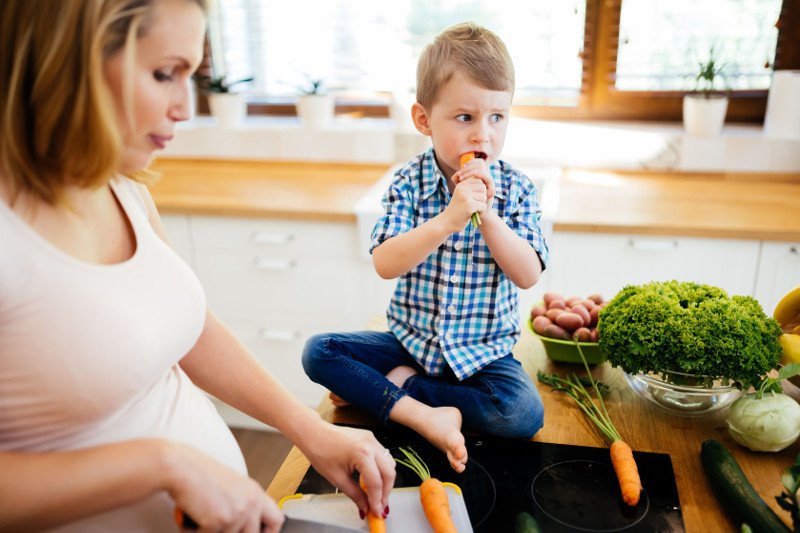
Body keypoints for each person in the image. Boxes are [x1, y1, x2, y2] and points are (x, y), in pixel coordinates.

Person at [0, 1, 395, 531]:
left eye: (192, 75)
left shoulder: (118, 184)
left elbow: (190, 327)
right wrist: (160, 464)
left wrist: (309, 429)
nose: (186, 108)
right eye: (165, 74)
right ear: (70, 61)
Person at [302, 22, 549, 473]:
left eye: (497, 117)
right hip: (409, 343)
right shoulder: (408, 182)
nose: (483, 135)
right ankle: (421, 412)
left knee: (523, 414)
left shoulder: (516, 189)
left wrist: (487, 216)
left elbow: (528, 273)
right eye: (464, 117)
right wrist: (449, 219)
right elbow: (384, 263)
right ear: (423, 120)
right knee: (320, 352)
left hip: (483, 355)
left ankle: (405, 394)